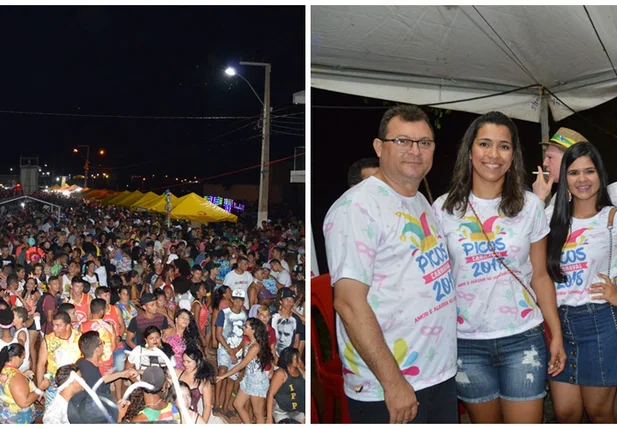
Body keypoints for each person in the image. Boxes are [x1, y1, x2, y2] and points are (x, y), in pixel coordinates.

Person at [324, 104, 458, 424]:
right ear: (379, 146)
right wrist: (393, 383)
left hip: (436, 374)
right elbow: (348, 304)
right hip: (390, 385)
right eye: (402, 141)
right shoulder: (357, 208)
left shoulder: (418, 199)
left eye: (424, 142)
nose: (415, 151)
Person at [432, 111, 566, 423]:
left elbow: (541, 275)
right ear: (470, 151)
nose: (494, 154)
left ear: (513, 155)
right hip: (465, 342)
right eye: (485, 144)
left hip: (522, 338)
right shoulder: (444, 208)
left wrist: (555, 332)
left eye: (504, 146)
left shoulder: (530, 205)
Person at [546, 141, 617, 423]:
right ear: (565, 178)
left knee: (600, 413)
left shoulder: (611, 218)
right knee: (565, 412)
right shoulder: (551, 219)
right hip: (559, 323)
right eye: (574, 173)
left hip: (599, 321)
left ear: (600, 174)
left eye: (589, 171)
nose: (583, 179)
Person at [217, 317, 274, 423]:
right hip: (249, 379)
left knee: (258, 414)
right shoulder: (250, 343)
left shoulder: (255, 347)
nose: (243, 327)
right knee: (237, 404)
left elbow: (242, 365)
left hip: (257, 382)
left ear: (253, 330)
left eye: (246, 326)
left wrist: (224, 375)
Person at [532, 127, 589, 217]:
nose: (545, 163)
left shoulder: (583, 197)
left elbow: (540, 228)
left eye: (550, 157)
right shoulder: (561, 194)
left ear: (569, 160)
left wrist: (539, 199)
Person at [37, 311, 82, 407]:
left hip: (75, 384)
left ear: (68, 326)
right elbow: (41, 364)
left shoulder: (80, 338)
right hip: (54, 384)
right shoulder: (48, 340)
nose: (54, 328)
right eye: (53, 325)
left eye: (58, 326)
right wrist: (40, 388)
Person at [214, 288, 247, 418]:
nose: (238, 302)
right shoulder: (224, 313)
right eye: (236, 299)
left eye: (241, 299)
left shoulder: (245, 315)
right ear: (232, 299)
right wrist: (230, 351)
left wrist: (237, 350)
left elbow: (246, 336)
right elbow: (218, 334)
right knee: (222, 372)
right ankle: (217, 404)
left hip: (237, 350)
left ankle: (226, 406)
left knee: (232, 379)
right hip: (224, 348)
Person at [75, 331, 136, 397]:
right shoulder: (93, 376)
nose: (103, 345)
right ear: (97, 350)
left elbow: (100, 380)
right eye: (101, 343)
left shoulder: (81, 362)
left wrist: (121, 374)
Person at [0, 342, 49, 423]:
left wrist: (23, 375)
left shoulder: (3, 371)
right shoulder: (16, 376)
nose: (22, 361)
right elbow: (24, 402)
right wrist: (40, 388)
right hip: (17, 420)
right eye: (22, 358)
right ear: (15, 358)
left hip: (5, 417)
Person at [175, 347, 217, 422]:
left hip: (190, 417)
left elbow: (207, 406)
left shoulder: (203, 382)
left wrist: (202, 423)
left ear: (198, 362)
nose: (185, 364)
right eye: (184, 361)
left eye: (188, 361)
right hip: (173, 413)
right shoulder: (178, 373)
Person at [266, 347, 305, 424]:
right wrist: (269, 418)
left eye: (299, 357)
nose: (299, 360)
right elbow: (270, 394)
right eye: (296, 358)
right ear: (288, 359)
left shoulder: (300, 370)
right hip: (282, 411)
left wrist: (301, 368)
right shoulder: (281, 374)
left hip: (298, 411)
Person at [271, 288, 303, 358]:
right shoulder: (272, 317)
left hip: (288, 356)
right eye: (286, 300)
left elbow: (297, 340)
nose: (289, 303)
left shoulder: (296, 319)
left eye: (291, 300)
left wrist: (291, 356)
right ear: (281, 301)